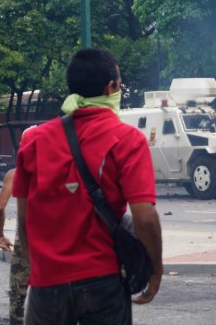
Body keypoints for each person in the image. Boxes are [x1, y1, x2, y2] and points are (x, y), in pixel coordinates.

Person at [13, 48, 163, 325]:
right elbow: (144, 216)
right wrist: (155, 270)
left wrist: (42, 268)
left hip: (47, 285)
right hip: (103, 282)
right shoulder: (127, 140)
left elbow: (24, 220)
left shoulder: (33, 141)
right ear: (112, 87)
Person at [0, 168, 29, 325]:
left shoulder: (15, 174)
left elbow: (0, 208)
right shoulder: (58, 167)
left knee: (17, 294)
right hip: (53, 238)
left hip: (25, 238)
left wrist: (0, 235)